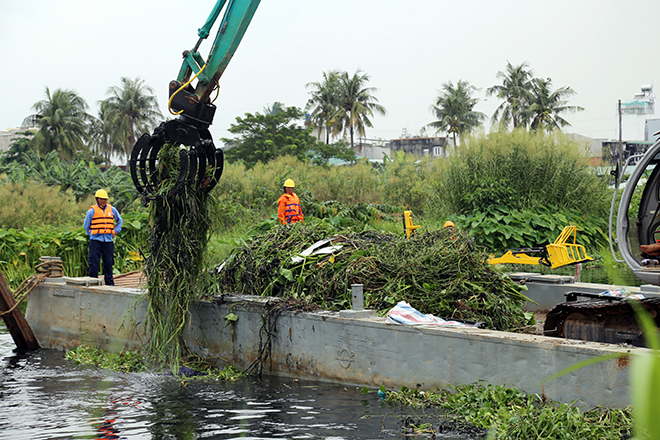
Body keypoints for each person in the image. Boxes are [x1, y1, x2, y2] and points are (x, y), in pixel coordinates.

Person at [83, 189, 123, 286]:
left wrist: (115, 231)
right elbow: (86, 226)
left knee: (109, 262)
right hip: (96, 240)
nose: (103, 201)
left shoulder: (112, 209)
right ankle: (93, 283)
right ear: (97, 199)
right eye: (101, 199)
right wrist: (92, 234)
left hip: (108, 240)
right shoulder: (91, 211)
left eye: (105, 199)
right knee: (94, 262)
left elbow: (120, 220)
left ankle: (109, 284)